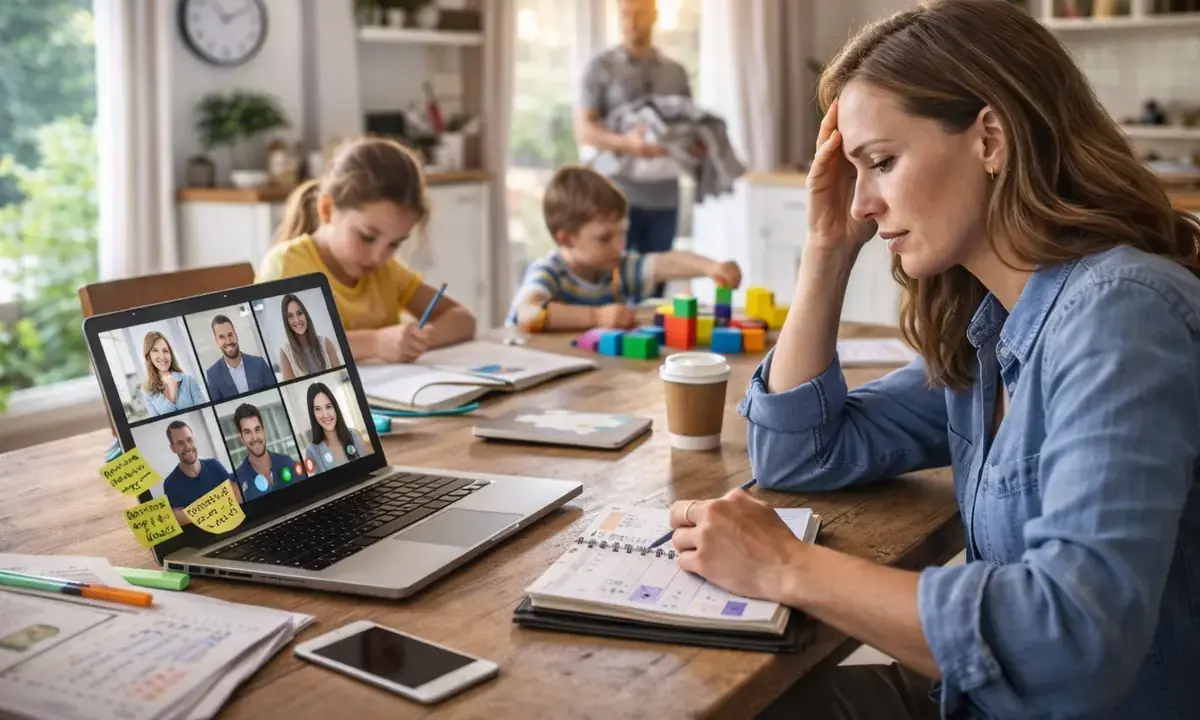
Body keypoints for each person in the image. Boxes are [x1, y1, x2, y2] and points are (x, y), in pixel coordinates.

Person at [666, 2, 1200, 718]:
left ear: (989, 138)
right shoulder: (994, 328)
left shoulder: (1118, 313)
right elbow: (800, 452)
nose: (862, 204)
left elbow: (1073, 642)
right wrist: (826, 252)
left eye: (881, 162)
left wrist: (785, 565)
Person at [258, 138, 476, 364]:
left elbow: (463, 320)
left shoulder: (387, 272)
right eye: (367, 237)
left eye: (395, 243)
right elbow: (281, 349)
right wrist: (374, 343)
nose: (378, 256)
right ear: (327, 210)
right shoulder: (287, 264)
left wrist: (420, 339)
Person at [507, 166, 741, 332]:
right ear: (566, 239)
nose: (619, 245)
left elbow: (664, 263)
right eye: (605, 238)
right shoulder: (548, 272)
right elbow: (527, 313)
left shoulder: (617, 268)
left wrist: (711, 267)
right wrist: (596, 317)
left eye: (622, 233)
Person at [575, 0, 690, 262]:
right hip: (615, 195)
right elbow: (584, 130)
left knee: (658, 277)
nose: (632, 22)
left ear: (654, 15)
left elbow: (688, 124)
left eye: (640, 13)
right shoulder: (600, 68)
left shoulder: (675, 72)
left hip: (664, 195)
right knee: (618, 278)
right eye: (626, 14)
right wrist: (627, 143)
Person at [160, 420, 242, 526]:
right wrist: (220, 506)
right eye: (180, 443)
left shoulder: (214, 465)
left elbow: (236, 496)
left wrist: (195, 514)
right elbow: (179, 519)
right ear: (173, 448)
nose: (188, 446)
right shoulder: (170, 484)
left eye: (189, 440)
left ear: (195, 440)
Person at [231, 403, 300, 502]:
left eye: (257, 429)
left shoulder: (287, 462)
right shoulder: (238, 481)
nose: (254, 437)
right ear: (241, 438)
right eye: (248, 432)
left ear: (264, 430)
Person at [204, 315, 277, 402]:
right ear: (217, 341)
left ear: (236, 336)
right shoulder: (213, 375)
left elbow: (276, 394)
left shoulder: (259, 364)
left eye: (230, 335)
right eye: (222, 337)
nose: (228, 341)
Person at [303, 382, 368, 473]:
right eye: (318, 409)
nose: (325, 415)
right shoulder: (312, 452)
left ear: (335, 408)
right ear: (313, 414)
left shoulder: (354, 435)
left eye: (328, 406)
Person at [141, 331, 206, 417]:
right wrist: (171, 395)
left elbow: (205, 412)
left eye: (165, 350)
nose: (162, 356)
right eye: (155, 350)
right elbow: (161, 423)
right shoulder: (148, 392)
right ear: (148, 356)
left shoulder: (189, 380)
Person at [278, 294, 342, 380]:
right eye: (290, 316)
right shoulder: (285, 353)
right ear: (286, 321)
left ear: (305, 315)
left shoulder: (326, 343)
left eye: (299, 313)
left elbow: (342, 377)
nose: (297, 320)